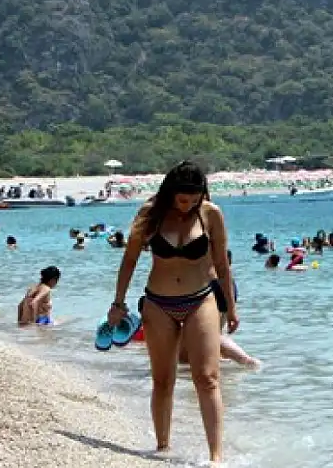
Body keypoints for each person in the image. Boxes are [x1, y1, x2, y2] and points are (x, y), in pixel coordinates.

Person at [106, 161, 237, 463]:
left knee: (207, 378)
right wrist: (118, 303)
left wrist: (230, 306)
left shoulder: (211, 214)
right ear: (170, 193)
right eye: (182, 199)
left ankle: (216, 458)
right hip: (158, 303)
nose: (187, 206)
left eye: (193, 199)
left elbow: (222, 264)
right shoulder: (149, 214)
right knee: (163, 380)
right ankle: (162, 448)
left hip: (201, 299)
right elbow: (129, 261)